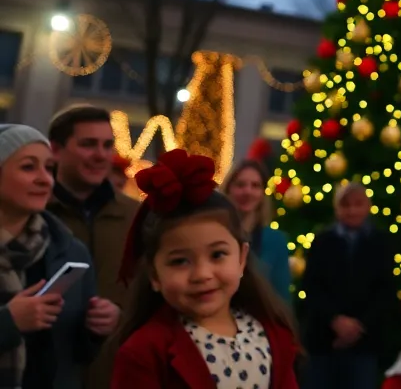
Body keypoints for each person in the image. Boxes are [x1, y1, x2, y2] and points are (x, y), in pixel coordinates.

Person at [110, 149, 300, 389]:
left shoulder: (274, 336)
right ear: (154, 274)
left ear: (241, 258)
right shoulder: (144, 352)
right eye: (180, 261)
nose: (202, 274)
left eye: (217, 255)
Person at [0, 124, 120, 389]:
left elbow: (76, 356)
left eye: (49, 168)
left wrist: (97, 327)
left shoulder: (69, 250)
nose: (46, 179)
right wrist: (9, 322)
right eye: (28, 167)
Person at [45, 105, 141, 389]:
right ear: (55, 150)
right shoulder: (33, 214)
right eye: (88, 144)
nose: (101, 155)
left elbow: (153, 287)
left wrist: (121, 315)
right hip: (47, 371)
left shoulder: (137, 217)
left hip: (117, 373)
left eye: (107, 145)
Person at [300, 183, 396, 389]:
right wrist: (335, 321)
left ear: (368, 207)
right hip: (322, 343)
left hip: (364, 345)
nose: (352, 210)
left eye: (358, 204)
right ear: (337, 208)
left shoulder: (381, 242)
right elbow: (311, 287)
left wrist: (358, 327)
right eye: (346, 205)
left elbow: (385, 291)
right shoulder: (322, 241)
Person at [223, 160, 292, 304]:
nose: (247, 191)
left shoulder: (276, 240)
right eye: (240, 185)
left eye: (255, 186)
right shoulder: (215, 234)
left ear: (262, 194)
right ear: (228, 189)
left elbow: (282, 299)